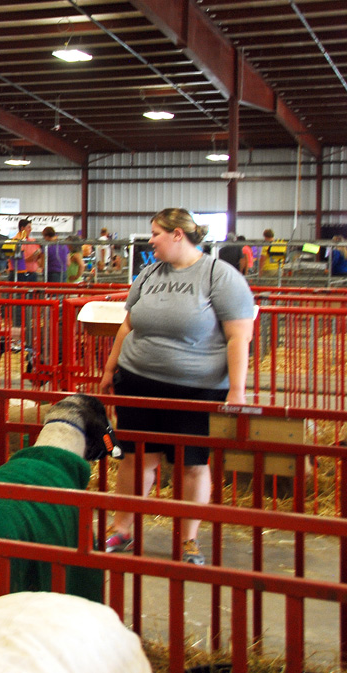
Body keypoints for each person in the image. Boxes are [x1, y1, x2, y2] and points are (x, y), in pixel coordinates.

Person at [99, 209, 255, 566]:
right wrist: (110, 368)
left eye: (155, 233)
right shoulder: (149, 274)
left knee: (192, 464)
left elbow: (238, 336)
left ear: (177, 235)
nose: (150, 239)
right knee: (135, 459)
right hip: (138, 381)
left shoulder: (219, 275)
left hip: (196, 389)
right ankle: (122, 528)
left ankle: (188, 540)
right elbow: (128, 325)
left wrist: (237, 391)